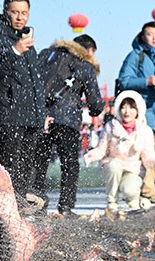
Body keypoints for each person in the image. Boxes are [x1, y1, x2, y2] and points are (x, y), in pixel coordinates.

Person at [0, 0, 48, 200]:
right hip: (8, 116)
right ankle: (4, 214)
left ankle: (17, 214)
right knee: (7, 170)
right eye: (15, 12)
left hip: (30, 117)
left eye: (24, 13)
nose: (20, 18)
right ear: (5, 12)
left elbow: (35, 82)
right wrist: (14, 51)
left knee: (26, 169)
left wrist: (42, 112)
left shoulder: (26, 39)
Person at [34, 34, 104, 216]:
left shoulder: (46, 55)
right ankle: (65, 207)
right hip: (68, 121)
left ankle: (36, 203)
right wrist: (96, 109)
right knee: (70, 164)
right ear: (89, 50)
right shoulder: (84, 65)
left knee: (39, 162)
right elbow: (95, 104)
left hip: (41, 118)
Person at [117, 21, 155, 200]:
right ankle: (135, 190)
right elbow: (124, 81)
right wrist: (147, 81)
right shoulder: (135, 56)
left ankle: (148, 189)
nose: (154, 38)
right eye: (150, 34)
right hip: (140, 113)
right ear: (143, 36)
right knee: (138, 154)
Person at [84, 91, 155, 211]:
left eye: (131, 108)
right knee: (113, 165)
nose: (127, 112)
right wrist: (91, 156)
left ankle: (133, 202)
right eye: (123, 107)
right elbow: (101, 150)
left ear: (138, 110)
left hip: (133, 168)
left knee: (130, 190)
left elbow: (148, 159)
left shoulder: (145, 131)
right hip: (113, 165)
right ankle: (112, 202)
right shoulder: (111, 126)